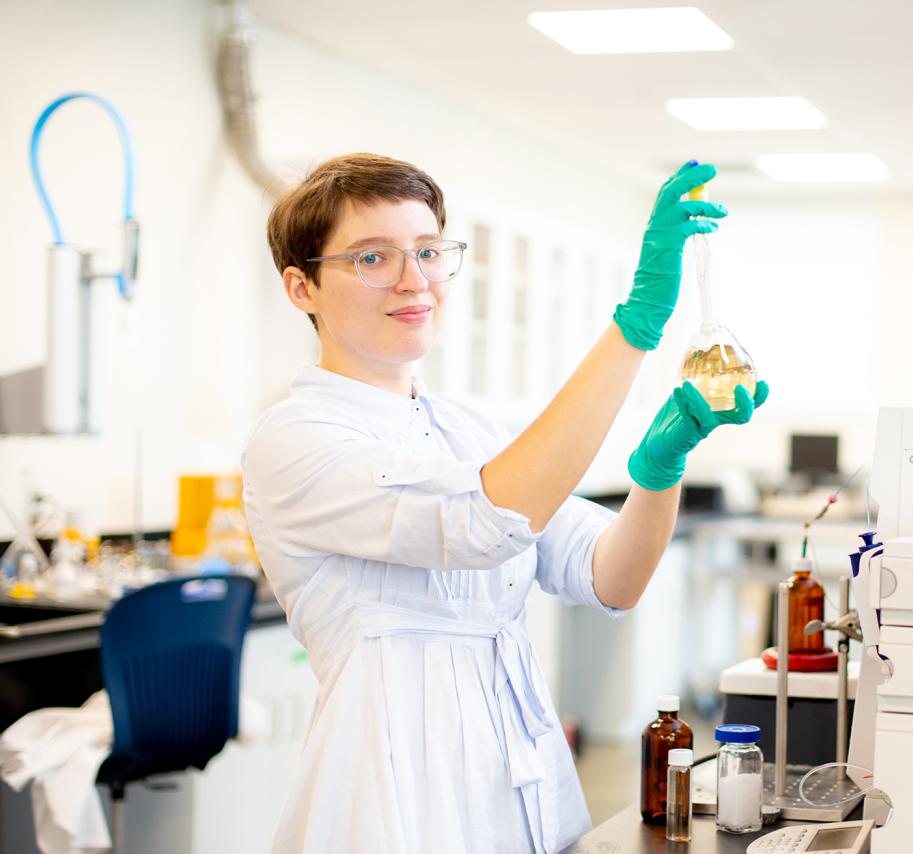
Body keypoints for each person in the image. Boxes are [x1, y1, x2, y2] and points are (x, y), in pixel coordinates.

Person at [241, 153, 767, 854]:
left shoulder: (469, 429)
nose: (414, 280)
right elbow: (482, 523)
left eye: (428, 251)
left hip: (520, 770)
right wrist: (636, 326)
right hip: (395, 785)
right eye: (373, 258)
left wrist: (660, 468)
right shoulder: (294, 436)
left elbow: (612, 575)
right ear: (301, 287)